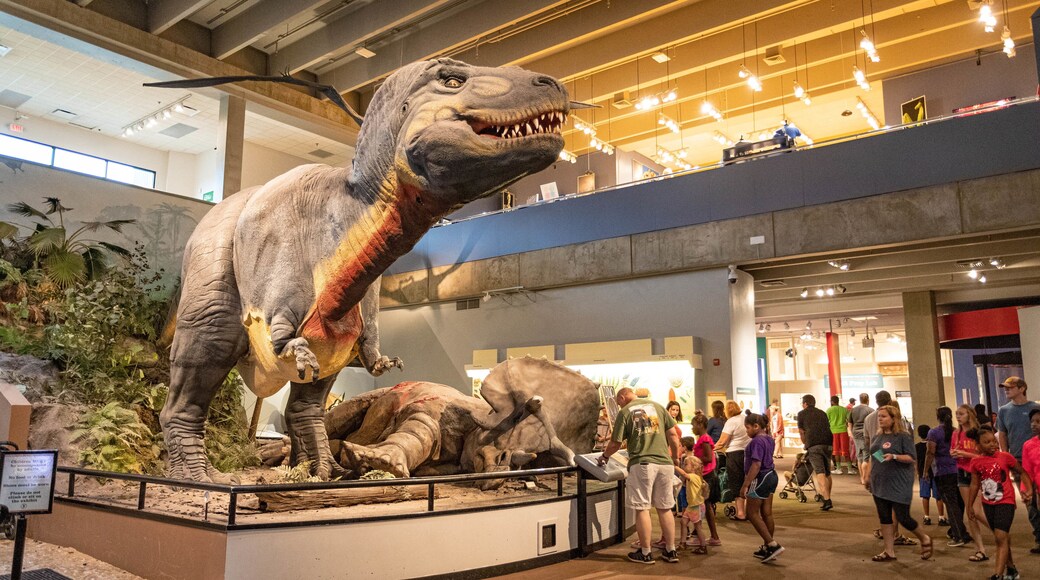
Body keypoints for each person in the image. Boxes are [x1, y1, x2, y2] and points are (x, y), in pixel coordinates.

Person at [598, 387, 682, 565]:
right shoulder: (658, 407)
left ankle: (645, 552)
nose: (618, 404)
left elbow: (615, 442)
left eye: (618, 401)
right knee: (665, 507)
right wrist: (675, 458)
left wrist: (604, 457)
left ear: (622, 397)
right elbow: (673, 436)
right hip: (665, 464)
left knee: (642, 508)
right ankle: (671, 550)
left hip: (642, 463)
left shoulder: (625, 412)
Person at [864, 405, 933, 562]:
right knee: (885, 517)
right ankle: (889, 551)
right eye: (879, 416)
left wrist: (894, 457)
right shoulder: (877, 437)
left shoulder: (903, 436)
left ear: (893, 418)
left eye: (884, 416)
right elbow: (875, 456)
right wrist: (868, 476)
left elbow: (911, 458)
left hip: (899, 483)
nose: (880, 419)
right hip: (880, 483)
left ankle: (924, 538)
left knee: (903, 517)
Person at [968, 426, 1033, 580]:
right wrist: (969, 506)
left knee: (999, 537)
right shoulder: (976, 462)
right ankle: (1011, 569)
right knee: (1002, 537)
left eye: (993, 441)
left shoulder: (1005, 457)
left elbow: (1022, 472)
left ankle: (997, 574)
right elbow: (974, 484)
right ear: (978, 446)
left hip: (1006, 501)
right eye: (987, 442)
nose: (992, 444)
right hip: (988, 503)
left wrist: (1028, 489)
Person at [995, 376, 1040, 554]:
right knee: (1030, 502)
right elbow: (1002, 434)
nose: (1006, 390)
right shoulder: (1004, 411)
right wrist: (1005, 458)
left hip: (1037, 459)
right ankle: (1039, 537)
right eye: (1005, 388)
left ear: (1022, 388)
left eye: (1010, 387)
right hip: (1019, 462)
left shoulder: (1035, 409)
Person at [741, 413, 784, 563]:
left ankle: (772, 544)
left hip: (760, 478)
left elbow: (756, 464)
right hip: (771, 475)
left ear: (756, 426)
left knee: (751, 513)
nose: (746, 431)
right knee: (767, 513)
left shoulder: (757, 442)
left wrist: (746, 484)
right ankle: (767, 546)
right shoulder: (768, 438)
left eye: (747, 428)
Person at [924, 407, 969, 547]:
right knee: (959, 503)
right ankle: (959, 530)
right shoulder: (957, 431)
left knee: (950, 503)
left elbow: (930, 453)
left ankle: (958, 535)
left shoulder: (934, 432)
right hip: (959, 470)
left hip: (943, 472)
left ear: (938, 417)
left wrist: (925, 470)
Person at [951, 403, 988, 562]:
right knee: (970, 512)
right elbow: (952, 451)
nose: (958, 417)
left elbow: (984, 456)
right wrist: (955, 453)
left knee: (977, 511)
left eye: (961, 414)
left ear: (970, 415)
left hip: (976, 473)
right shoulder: (956, 433)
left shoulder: (978, 433)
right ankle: (980, 549)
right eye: (957, 414)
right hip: (961, 472)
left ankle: (999, 531)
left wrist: (964, 453)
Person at [715, 400, 751, 520]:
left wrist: (709, 448)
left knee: (736, 482)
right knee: (748, 481)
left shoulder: (731, 422)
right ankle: (751, 512)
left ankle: (740, 513)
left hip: (734, 454)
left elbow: (722, 442)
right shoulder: (745, 418)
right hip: (748, 454)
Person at [797, 394, 833, 510]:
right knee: (827, 472)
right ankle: (827, 495)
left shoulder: (801, 414)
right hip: (828, 444)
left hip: (814, 445)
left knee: (820, 472)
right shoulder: (822, 413)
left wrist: (805, 443)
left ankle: (827, 499)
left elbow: (802, 432)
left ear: (805, 403)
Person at [690, 414, 721, 547]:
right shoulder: (703, 439)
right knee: (705, 507)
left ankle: (713, 536)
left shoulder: (705, 439)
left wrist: (693, 460)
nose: (692, 428)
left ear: (700, 425)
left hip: (707, 476)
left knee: (706, 507)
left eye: (693, 425)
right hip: (705, 475)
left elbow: (708, 457)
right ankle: (702, 534)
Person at [675, 455, 709, 553]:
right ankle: (683, 543)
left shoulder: (694, 477)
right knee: (683, 522)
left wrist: (675, 466)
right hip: (691, 506)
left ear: (693, 467)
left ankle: (703, 546)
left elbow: (685, 475)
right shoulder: (695, 477)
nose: (683, 466)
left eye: (685, 464)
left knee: (697, 527)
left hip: (696, 506)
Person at [915, 424, 945, 526]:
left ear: (919, 434)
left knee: (925, 496)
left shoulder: (917, 447)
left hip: (923, 475)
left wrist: (918, 472)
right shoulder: (934, 445)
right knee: (939, 497)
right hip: (935, 473)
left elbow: (916, 462)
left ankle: (927, 516)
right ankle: (941, 517)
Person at [848, 393, 873, 485]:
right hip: (866, 434)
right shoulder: (870, 410)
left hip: (856, 434)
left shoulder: (853, 410)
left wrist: (851, 433)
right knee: (866, 457)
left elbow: (849, 424)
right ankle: (865, 477)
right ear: (868, 399)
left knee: (859, 456)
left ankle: (861, 477)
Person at [826, 395, 853, 475]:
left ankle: (838, 468)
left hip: (833, 432)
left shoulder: (829, 410)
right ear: (838, 401)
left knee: (836, 451)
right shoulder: (844, 409)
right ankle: (850, 469)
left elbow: (826, 421)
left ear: (832, 402)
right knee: (846, 450)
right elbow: (849, 420)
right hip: (843, 431)